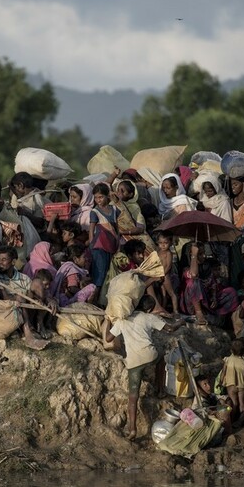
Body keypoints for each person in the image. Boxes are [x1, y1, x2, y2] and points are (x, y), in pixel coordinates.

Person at [105, 294, 185, 440]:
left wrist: (107, 322)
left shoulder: (123, 320)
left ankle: (132, 430)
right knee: (161, 358)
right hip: (150, 356)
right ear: (149, 309)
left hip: (134, 362)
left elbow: (108, 339)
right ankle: (160, 390)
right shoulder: (149, 318)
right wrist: (180, 322)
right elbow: (170, 329)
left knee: (133, 397)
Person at [89, 184, 120, 301]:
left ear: (107, 196)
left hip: (112, 245)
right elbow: (91, 230)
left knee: (109, 272)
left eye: (101, 197)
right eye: (96, 198)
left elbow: (117, 228)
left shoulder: (114, 209)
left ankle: (104, 300)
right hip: (99, 247)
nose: (98, 200)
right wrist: (92, 246)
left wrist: (118, 244)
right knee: (100, 274)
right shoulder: (94, 212)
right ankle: (93, 300)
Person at [221, 338, 244, 414]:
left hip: (231, 385)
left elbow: (223, 372)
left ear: (231, 350)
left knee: (234, 403)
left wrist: (221, 382)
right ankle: (241, 418)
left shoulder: (227, 360)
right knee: (241, 404)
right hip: (242, 386)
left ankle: (233, 418)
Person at [154, 230, 179, 313]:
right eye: (160, 243)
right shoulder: (158, 252)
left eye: (165, 243)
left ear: (170, 243)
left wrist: (162, 274)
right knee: (163, 294)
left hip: (165, 276)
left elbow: (168, 266)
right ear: (157, 243)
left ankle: (175, 310)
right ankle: (163, 309)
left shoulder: (168, 253)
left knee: (171, 293)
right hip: (159, 275)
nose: (163, 245)